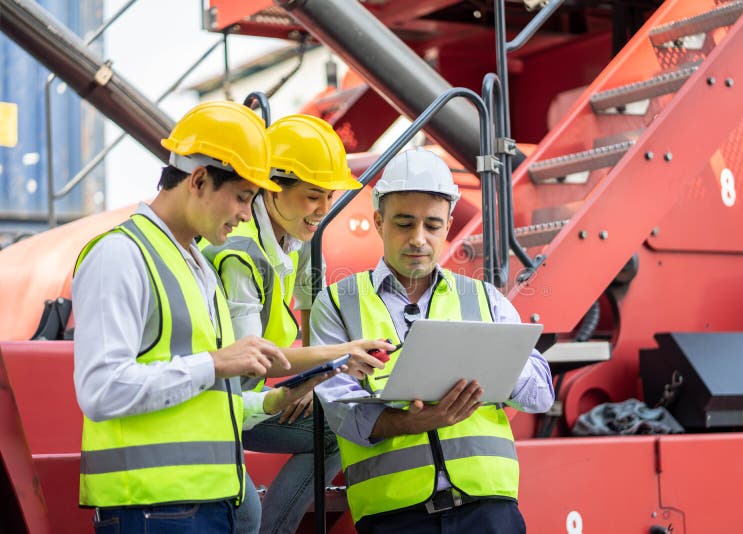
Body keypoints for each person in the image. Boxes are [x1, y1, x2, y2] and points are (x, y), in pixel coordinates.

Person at [72, 101, 342, 533]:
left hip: (208, 501)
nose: (244, 213)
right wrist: (216, 363)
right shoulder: (120, 255)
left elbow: (212, 401)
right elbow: (101, 390)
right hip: (151, 509)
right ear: (198, 179)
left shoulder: (197, 270)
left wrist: (274, 400)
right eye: (241, 197)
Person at [311, 147, 555, 533]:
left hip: (488, 511)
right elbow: (340, 410)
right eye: (404, 224)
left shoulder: (485, 299)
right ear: (378, 220)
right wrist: (417, 420)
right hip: (395, 516)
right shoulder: (337, 304)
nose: (418, 239)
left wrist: (492, 359)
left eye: (432, 225)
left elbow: (541, 393)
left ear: (449, 224)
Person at [202, 114, 391, 534]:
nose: (324, 211)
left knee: (337, 424)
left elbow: (310, 307)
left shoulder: (299, 235)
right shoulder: (240, 254)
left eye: (329, 197)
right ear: (271, 188)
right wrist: (335, 360)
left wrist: (314, 379)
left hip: (247, 398)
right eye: (312, 197)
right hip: (218, 402)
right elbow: (253, 362)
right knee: (246, 515)